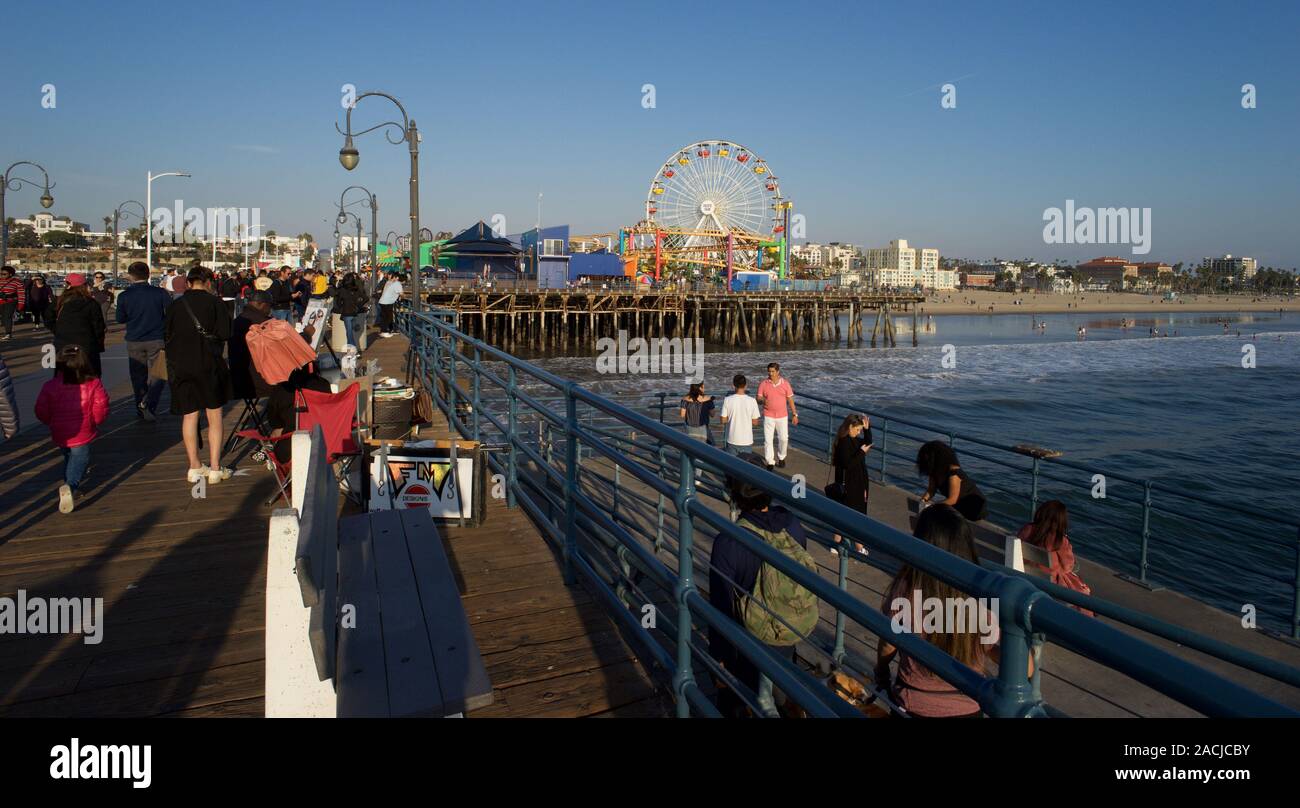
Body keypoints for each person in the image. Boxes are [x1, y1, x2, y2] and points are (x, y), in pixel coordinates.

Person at [874, 505, 1032, 717]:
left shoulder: (906, 588)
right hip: (967, 706)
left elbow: (888, 644)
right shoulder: (980, 597)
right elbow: (1026, 667)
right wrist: (981, 646)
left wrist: (881, 670)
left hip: (913, 703)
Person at [709, 452, 814, 718]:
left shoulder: (729, 542)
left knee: (734, 700)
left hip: (747, 648)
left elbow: (721, 607)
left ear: (733, 493)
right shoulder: (792, 524)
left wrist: (718, 659)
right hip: (788, 634)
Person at [165, 265, 233, 485]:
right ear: (209, 282)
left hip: (181, 365)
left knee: (190, 415)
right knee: (214, 416)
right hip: (209, 364)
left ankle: (194, 466)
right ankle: (214, 468)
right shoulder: (216, 303)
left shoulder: (176, 305)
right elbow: (225, 333)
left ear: (188, 283)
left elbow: (166, 333)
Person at [35, 344, 110, 514]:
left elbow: (41, 409)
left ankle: (69, 486)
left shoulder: (50, 386)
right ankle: (71, 485)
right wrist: (96, 422)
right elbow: (101, 407)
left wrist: (50, 421)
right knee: (80, 458)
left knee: (68, 456)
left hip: (60, 430)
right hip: (83, 430)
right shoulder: (93, 384)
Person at [115, 262, 173, 421]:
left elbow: (120, 318)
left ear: (130, 276)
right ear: (148, 275)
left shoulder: (124, 295)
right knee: (160, 373)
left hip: (134, 340)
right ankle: (150, 403)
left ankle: (140, 404)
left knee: (137, 375)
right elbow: (170, 314)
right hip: (157, 338)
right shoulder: (160, 293)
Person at [1016, 500, 1092, 610]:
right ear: (1061, 521)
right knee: (1082, 590)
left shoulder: (1027, 529)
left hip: (1025, 575)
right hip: (1049, 584)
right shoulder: (1059, 540)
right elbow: (1068, 566)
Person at [830, 413, 872, 556]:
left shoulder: (852, 440)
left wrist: (867, 429)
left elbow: (867, 442)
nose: (859, 432)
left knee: (843, 514)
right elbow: (848, 464)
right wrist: (861, 452)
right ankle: (859, 547)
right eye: (858, 429)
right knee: (856, 516)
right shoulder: (844, 442)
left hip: (856, 483)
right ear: (850, 427)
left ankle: (836, 543)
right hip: (850, 485)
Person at [917, 440, 988, 522]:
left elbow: (952, 499)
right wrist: (923, 501)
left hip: (972, 507)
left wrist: (932, 507)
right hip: (957, 505)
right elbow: (931, 490)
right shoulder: (934, 472)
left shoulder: (953, 472)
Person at [53, 274, 106, 377]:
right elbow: (99, 326)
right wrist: (98, 344)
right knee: (90, 376)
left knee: (63, 376)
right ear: (84, 286)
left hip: (63, 343)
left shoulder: (60, 301)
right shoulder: (91, 303)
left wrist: (57, 330)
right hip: (87, 344)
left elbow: (48, 317)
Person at [756, 362, 797, 470]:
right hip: (768, 415)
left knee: (784, 439)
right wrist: (762, 400)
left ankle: (781, 457)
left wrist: (794, 414)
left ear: (778, 372)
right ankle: (770, 462)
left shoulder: (785, 383)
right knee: (768, 440)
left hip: (782, 416)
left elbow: (790, 400)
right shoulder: (763, 383)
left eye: (773, 371)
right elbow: (758, 398)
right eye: (769, 371)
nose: (771, 373)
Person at [719, 374, 761, 456]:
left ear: (733, 385)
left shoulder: (727, 400)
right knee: (745, 466)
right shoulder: (752, 401)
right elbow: (755, 422)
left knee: (731, 466)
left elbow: (723, 420)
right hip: (747, 440)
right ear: (746, 386)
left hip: (732, 439)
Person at [334, 272, 366, 348]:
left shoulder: (342, 290)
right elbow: (365, 298)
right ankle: (355, 325)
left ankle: (353, 349)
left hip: (346, 312)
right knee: (349, 331)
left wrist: (341, 307)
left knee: (349, 333)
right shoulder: (356, 289)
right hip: (354, 311)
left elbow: (338, 301)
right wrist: (358, 306)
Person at [0, 266, 25, 340]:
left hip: (10, 302)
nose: (2, 275)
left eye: (4, 274)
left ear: (10, 274)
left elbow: (21, 294)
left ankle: (8, 334)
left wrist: (20, 306)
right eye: (1, 274)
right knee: (3, 319)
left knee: (7, 317)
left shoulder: (17, 282)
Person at [378, 269, 403, 337]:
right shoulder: (397, 283)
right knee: (387, 317)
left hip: (382, 301)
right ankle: (385, 331)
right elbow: (401, 293)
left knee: (385, 317)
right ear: (397, 277)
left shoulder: (388, 282)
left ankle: (389, 330)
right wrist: (401, 297)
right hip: (387, 302)